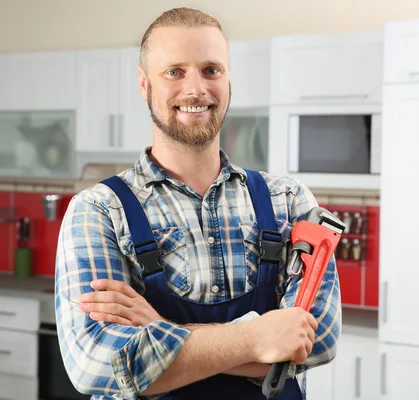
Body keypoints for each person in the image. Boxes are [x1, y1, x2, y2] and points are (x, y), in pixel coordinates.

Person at [55, 7, 341, 400]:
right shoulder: (99, 210)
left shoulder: (287, 201)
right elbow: (96, 364)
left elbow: (318, 339)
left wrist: (158, 328)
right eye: (174, 72)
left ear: (228, 79)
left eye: (211, 70)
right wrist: (258, 338)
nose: (196, 89)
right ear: (144, 84)